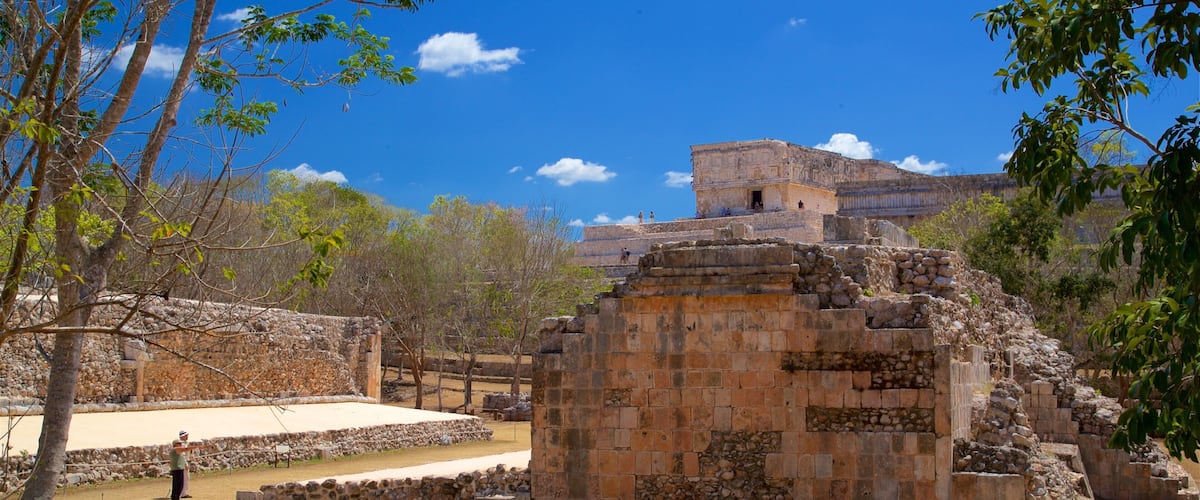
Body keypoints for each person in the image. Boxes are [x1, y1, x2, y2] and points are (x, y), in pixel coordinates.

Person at [170, 430, 202, 499]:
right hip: (179, 467)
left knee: (182, 481)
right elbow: (183, 453)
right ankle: (181, 494)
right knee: (179, 482)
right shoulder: (178, 448)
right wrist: (185, 464)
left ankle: (181, 493)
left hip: (180, 466)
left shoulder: (183, 444)